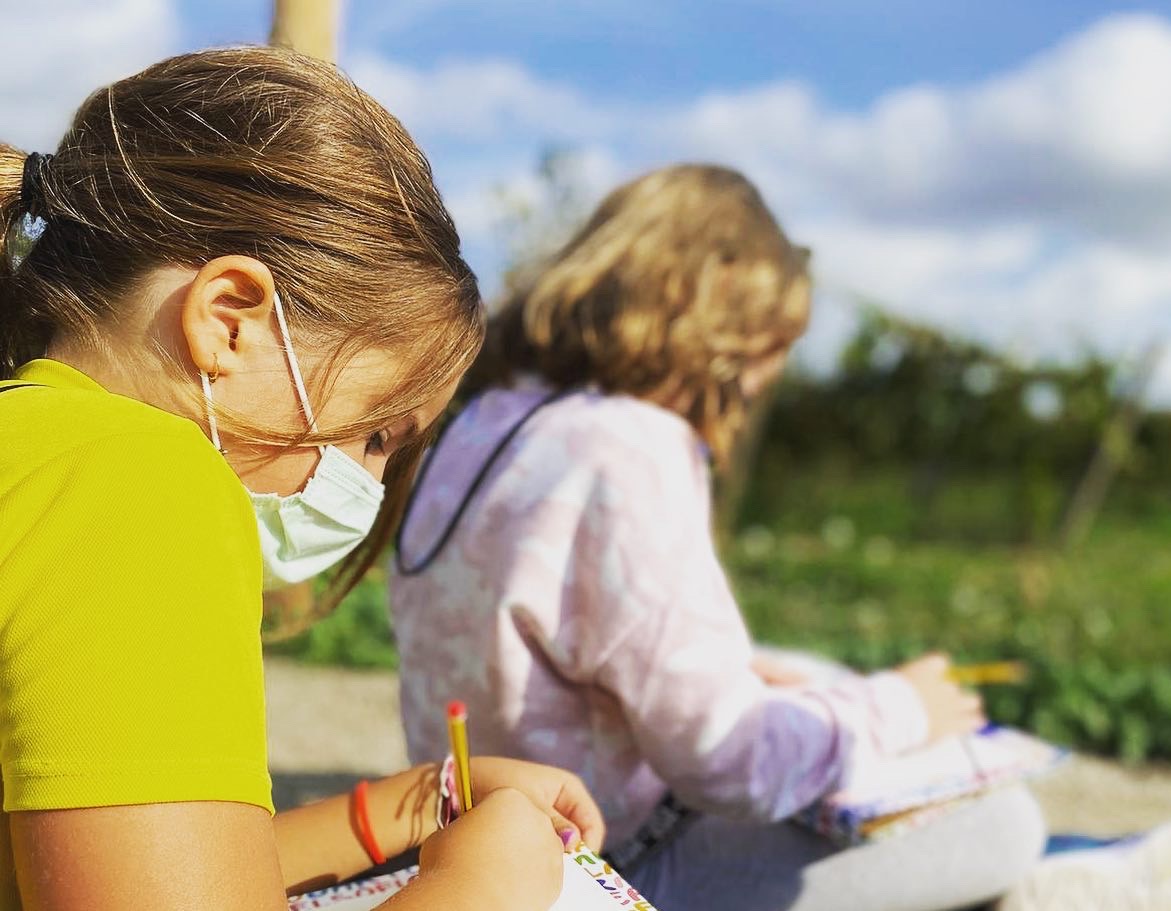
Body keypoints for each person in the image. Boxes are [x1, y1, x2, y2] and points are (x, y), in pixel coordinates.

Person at [0, 47, 603, 911]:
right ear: (230, 321)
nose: (368, 481)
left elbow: (127, 859)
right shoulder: (138, 482)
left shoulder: (39, 444)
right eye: (375, 433)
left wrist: (412, 803)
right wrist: (487, 886)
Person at [390, 164, 1047, 911]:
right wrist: (905, 707)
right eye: (770, 348)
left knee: (806, 674)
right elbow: (729, 763)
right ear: (725, 334)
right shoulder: (629, 448)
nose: (764, 381)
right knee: (1007, 824)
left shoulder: (487, 420)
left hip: (476, 822)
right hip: (610, 859)